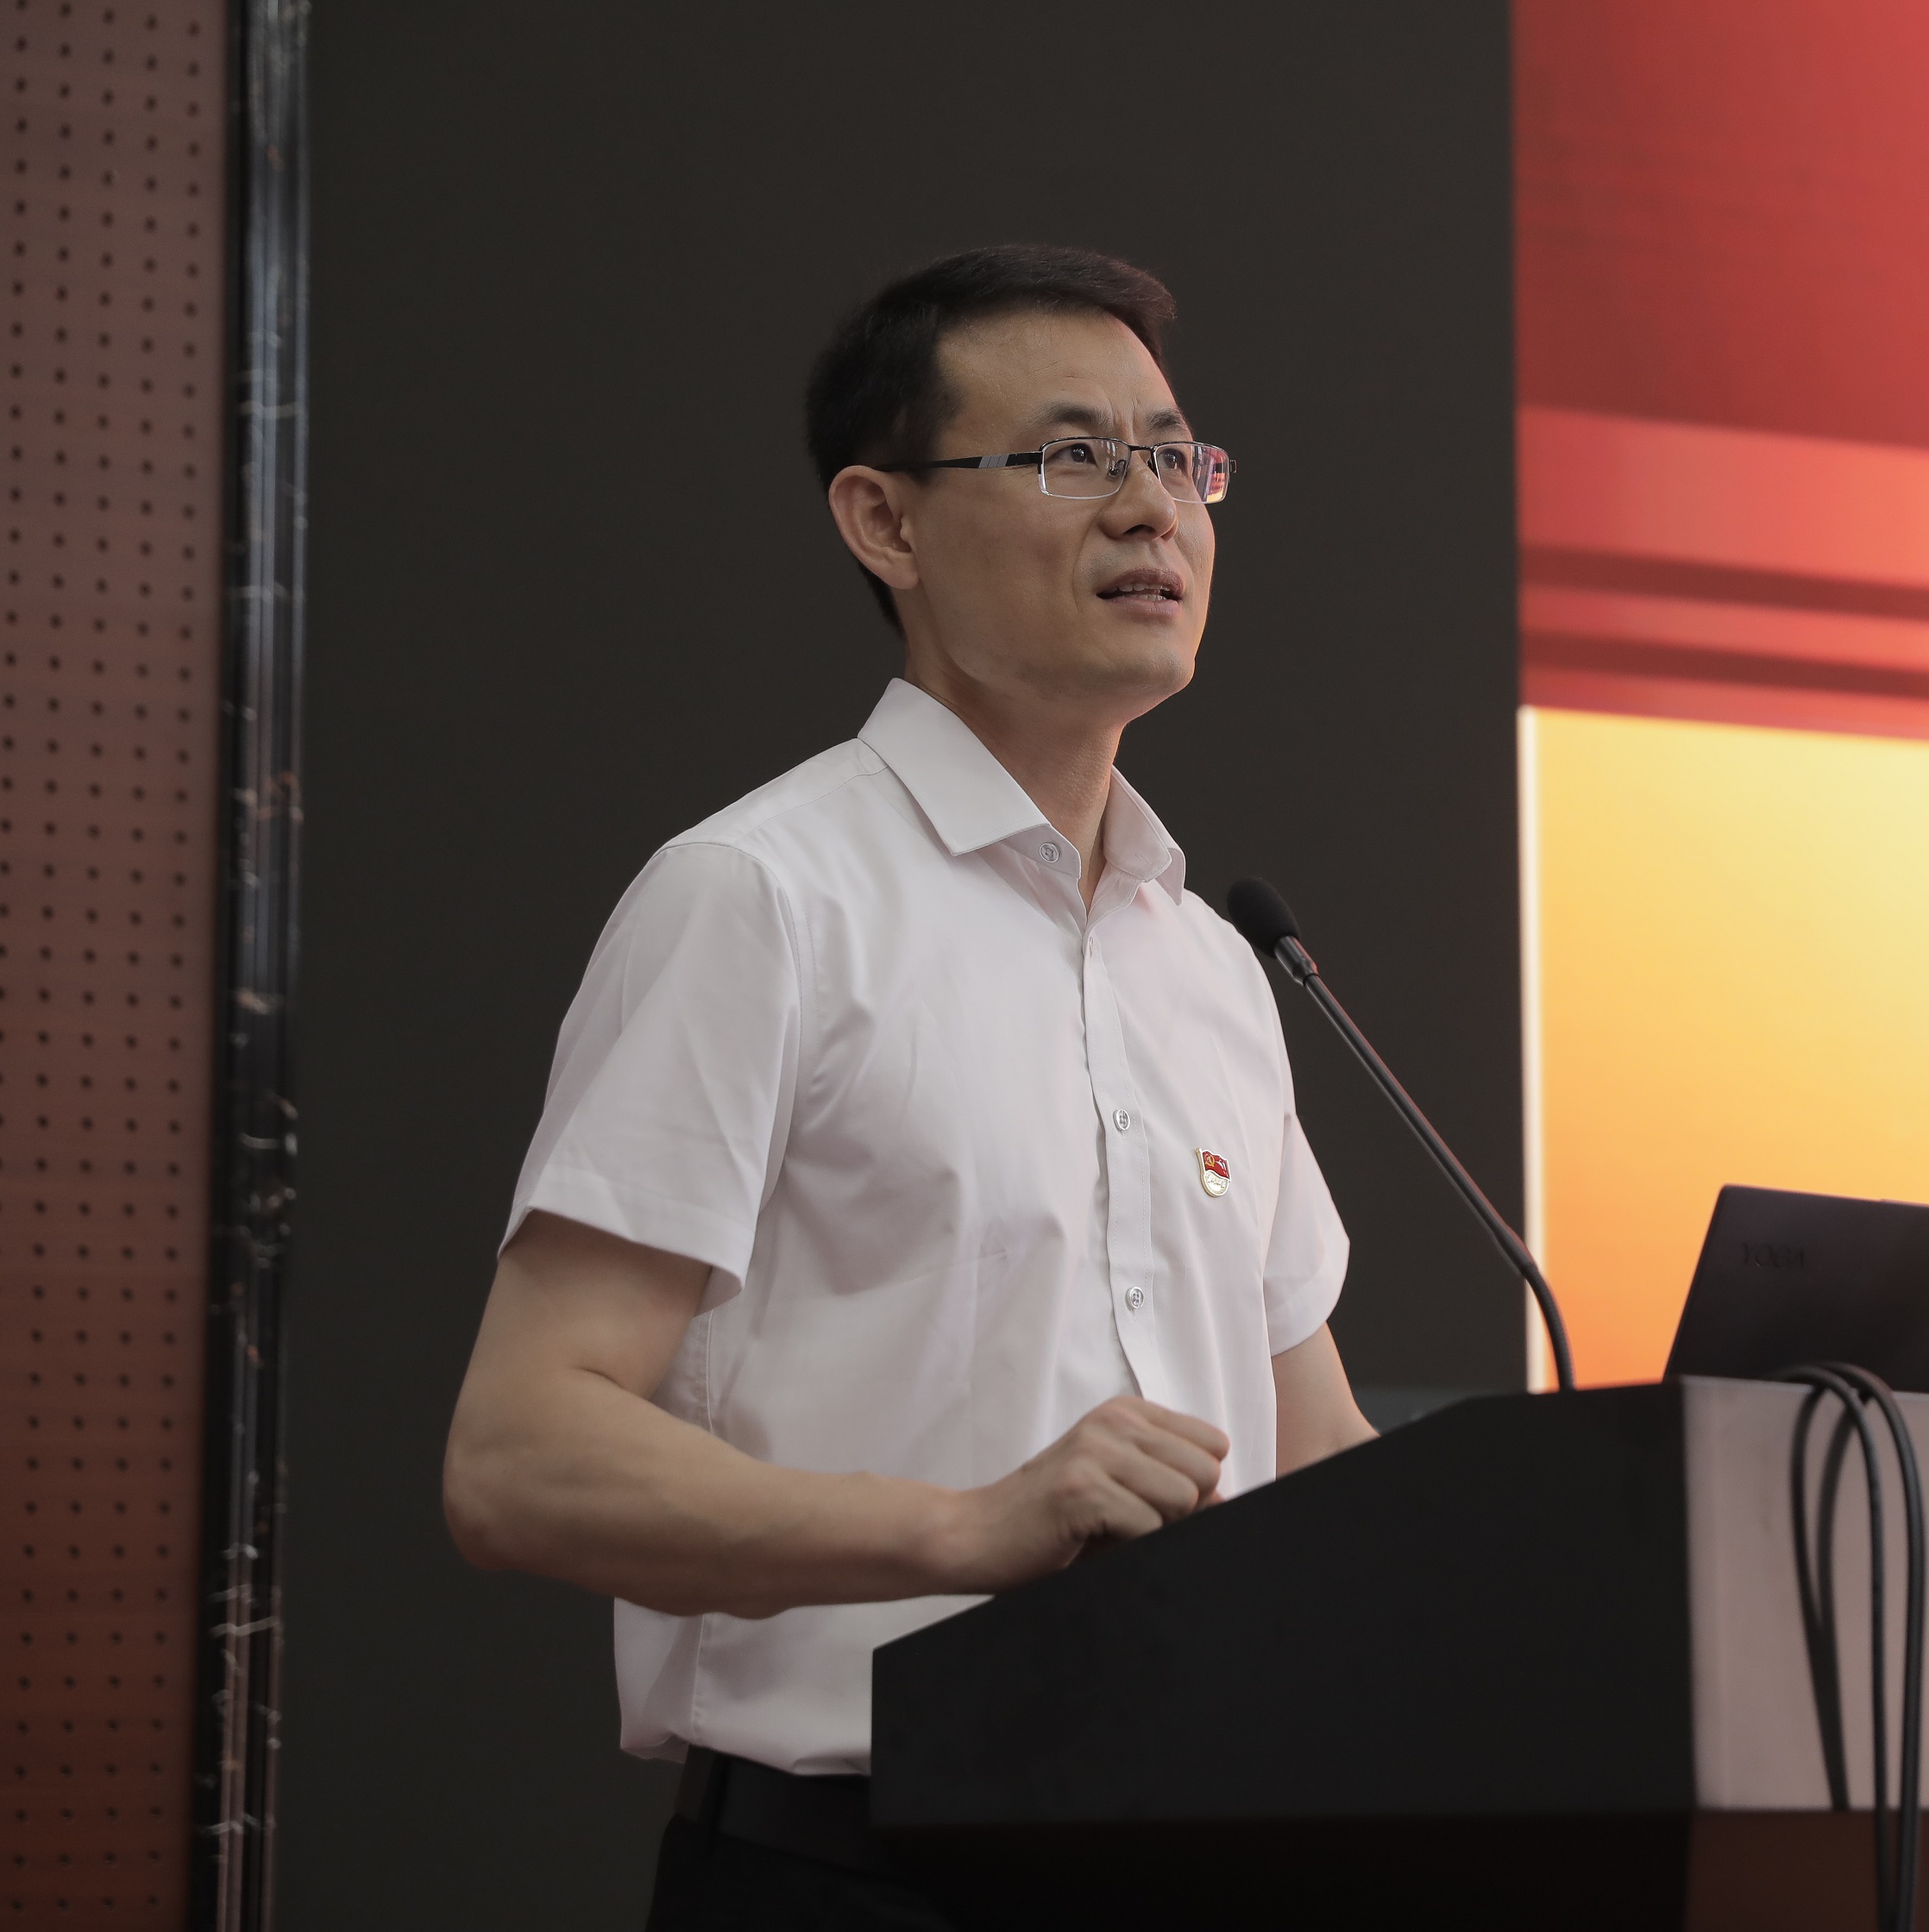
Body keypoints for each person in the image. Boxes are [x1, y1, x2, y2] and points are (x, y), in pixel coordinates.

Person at [441, 244, 1377, 1930]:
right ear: (885, 521)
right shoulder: (764, 899)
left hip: (1205, 1859)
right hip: (853, 1870)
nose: (1150, 507)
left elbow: (1321, 1465)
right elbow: (519, 1456)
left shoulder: (1214, 966)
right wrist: (963, 1531)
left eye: (1178, 458)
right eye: (1073, 454)